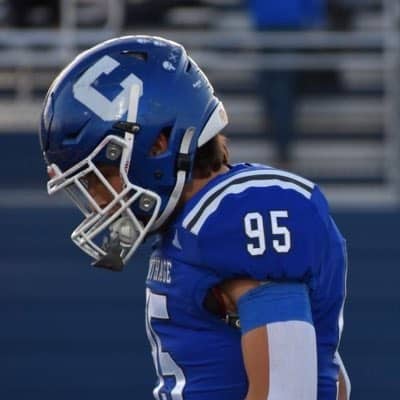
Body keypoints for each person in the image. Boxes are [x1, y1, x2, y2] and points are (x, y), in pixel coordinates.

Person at [39, 35, 350, 399]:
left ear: (157, 145)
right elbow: (333, 378)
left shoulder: (241, 212)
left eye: (101, 177)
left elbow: (288, 392)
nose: (96, 198)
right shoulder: (190, 222)